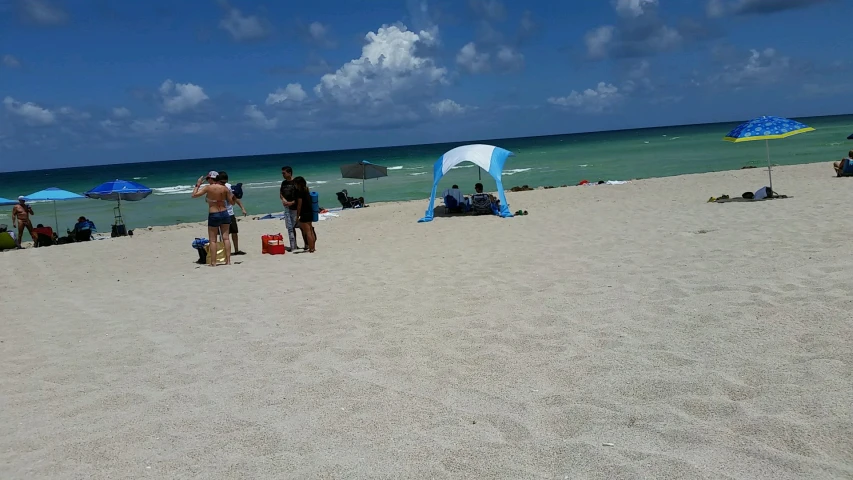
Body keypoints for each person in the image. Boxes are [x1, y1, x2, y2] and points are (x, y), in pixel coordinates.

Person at [191, 171, 233, 266]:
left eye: (208, 179)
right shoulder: (225, 188)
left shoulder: (208, 188)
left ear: (211, 178)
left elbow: (194, 195)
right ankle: (228, 261)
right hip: (225, 213)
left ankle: (213, 262)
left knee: (212, 240)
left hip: (214, 214)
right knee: (226, 238)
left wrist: (197, 185)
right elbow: (231, 202)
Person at [216, 171, 248, 255]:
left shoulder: (228, 186)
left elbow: (235, 198)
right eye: (222, 182)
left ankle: (236, 250)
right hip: (220, 213)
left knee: (234, 232)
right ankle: (224, 251)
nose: (224, 183)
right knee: (223, 234)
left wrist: (242, 208)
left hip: (230, 213)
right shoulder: (215, 188)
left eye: (225, 182)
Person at [293, 176, 316, 253]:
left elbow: (299, 205)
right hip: (310, 212)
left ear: (299, 184)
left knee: (307, 232)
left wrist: (297, 215)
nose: (295, 185)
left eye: (295, 183)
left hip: (304, 213)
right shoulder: (306, 190)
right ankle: (313, 247)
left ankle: (311, 248)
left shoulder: (300, 192)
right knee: (311, 230)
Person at [279, 166, 300, 252]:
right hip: (287, 209)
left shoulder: (296, 182)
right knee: (290, 228)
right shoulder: (284, 183)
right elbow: (281, 193)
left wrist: (291, 202)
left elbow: (300, 197)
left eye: (284, 173)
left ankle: (306, 244)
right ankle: (294, 245)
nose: (283, 175)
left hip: (295, 208)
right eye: (282, 173)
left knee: (301, 227)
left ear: (289, 173)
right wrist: (283, 199)